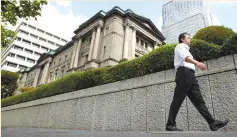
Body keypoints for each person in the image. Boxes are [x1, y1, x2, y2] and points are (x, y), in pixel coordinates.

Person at [165, 32, 229, 131]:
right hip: (184, 74)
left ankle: (212, 123)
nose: (190, 39)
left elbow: (188, 58)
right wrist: (198, 63)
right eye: (188, 38)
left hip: (190, 75)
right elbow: (186, 58)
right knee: (177, 100)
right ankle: (170, 124)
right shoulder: (180, 46)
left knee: (199, 101)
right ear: (182, 39)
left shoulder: (186, 49)